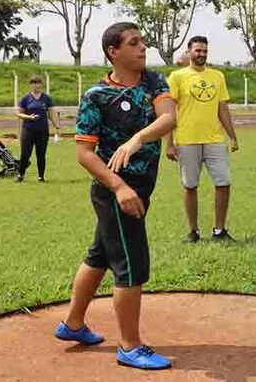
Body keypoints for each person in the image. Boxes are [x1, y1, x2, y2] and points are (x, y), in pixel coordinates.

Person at [55, 22, 176, 371]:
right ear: (114, 52)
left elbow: (168, 118)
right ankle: (130, 346)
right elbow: (84, 154)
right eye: (134, 43)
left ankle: (73, 325)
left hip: (141, 185)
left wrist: (137, 139)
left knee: (99, 256)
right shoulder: (96, 96)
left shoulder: (153, 81)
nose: (143, 48)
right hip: (116, 192)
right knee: (130, 262)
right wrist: (120, 187)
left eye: (143, 42)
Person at [164, 35, 238, 244]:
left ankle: (219, 230)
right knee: (190, 186)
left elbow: (223, 109)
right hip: (187, 140)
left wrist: (232, 136)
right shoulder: (177, 77)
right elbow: (169, 112)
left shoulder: (217, 77)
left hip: (214, 139)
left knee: (223, 183)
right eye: (197, 50)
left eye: (204, 51)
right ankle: (193, 231)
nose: (202, 54)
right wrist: (169, 143)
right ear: (189, 52)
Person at [15, 75, 61, 182]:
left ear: (41, 84)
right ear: (31, 85)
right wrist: (28, 117)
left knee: (41, 154)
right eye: (34, 83)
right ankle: (20, 175)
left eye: (38, 83)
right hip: (28, 129)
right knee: (25, 153)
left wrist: (57, 127)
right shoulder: (25, 98)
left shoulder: (46, 98)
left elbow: (52, 113)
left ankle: (41, 176)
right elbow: (18, 113)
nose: (36, 85)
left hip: (42, 129)